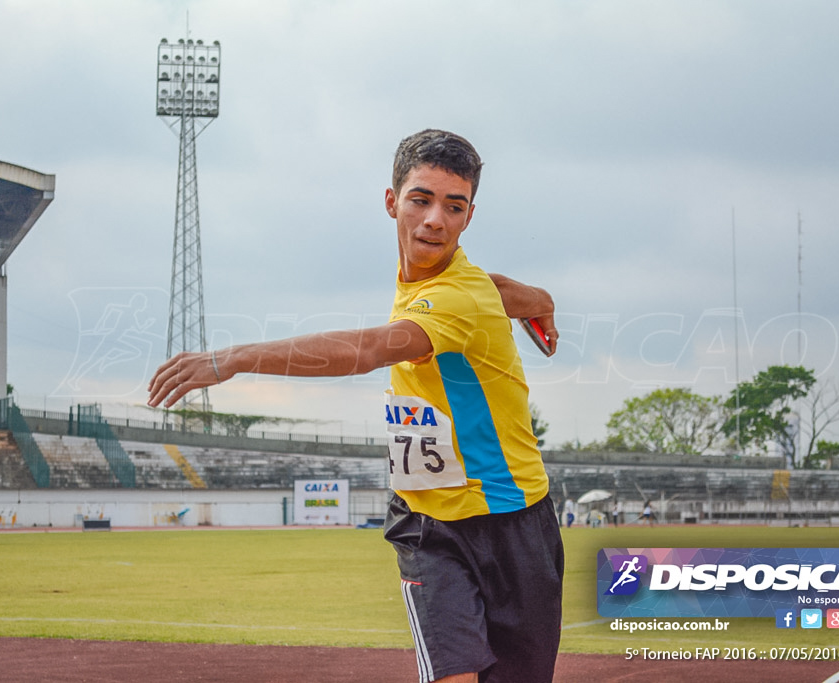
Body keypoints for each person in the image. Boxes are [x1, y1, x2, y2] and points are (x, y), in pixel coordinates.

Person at [148, 129, 563, 683]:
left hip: (516, 527)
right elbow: (504, 288)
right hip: (429, 523)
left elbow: (369, 350)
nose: (435, 219)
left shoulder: (458, 297)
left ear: (468, 217)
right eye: (421, 199)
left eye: (453, 206)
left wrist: (237, 357)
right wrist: (541, 302)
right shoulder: (443, 278)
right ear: (392, 201)